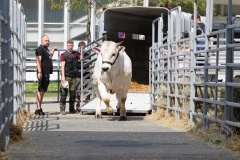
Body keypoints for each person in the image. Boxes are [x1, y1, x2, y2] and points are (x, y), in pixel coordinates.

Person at [35, 35, 57, 115]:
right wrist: (39, 72)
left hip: (46, 73)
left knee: (43, 91)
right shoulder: (40, 49)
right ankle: (38, 109)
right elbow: (38, 60)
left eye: (48, 40)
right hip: (42, 73)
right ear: (42, 41)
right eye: (46, 40)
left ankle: (39, 108)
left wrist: (53, 50)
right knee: (40, 91)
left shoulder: (46, 49)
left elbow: (50, 55)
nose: (47, 42)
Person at [59, 39, 79, 115]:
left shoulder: (76, 54)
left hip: (73, 77)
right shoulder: (64, 55)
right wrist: (63, 77)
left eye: (71, 45)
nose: (70, 47)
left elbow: (81, 58)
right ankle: (62, 109)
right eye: (69, 45)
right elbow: (62, 66)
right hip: (66, 76)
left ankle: (72, 109)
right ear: (67, 45)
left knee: (73, 94)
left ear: (73, 45)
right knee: (64, 94)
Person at [75, 41, 86, 112]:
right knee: (77, 91)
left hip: (86, 74)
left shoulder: (87, 53)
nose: (81, 48)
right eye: (80, 46)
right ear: (78, 46)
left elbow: (90, 63)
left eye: (83, 47)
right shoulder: (75, 53)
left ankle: (87, 104)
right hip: (78, 74)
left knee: (87, 90)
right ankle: (77, 106)